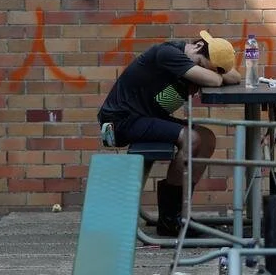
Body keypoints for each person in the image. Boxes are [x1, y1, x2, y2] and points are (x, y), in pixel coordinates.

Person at [98, 30, 241, 236]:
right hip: (122, 121)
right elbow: (216, 81)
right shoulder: (168, 53)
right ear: (199, 46)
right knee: (191, 139)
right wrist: (216, 75)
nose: (200, 71)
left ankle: (181, 212)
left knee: (207, 138)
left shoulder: (191, 56)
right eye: (200, 64)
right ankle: (170, 219)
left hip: (147, 116)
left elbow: (234, 75)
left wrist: (215, 70)